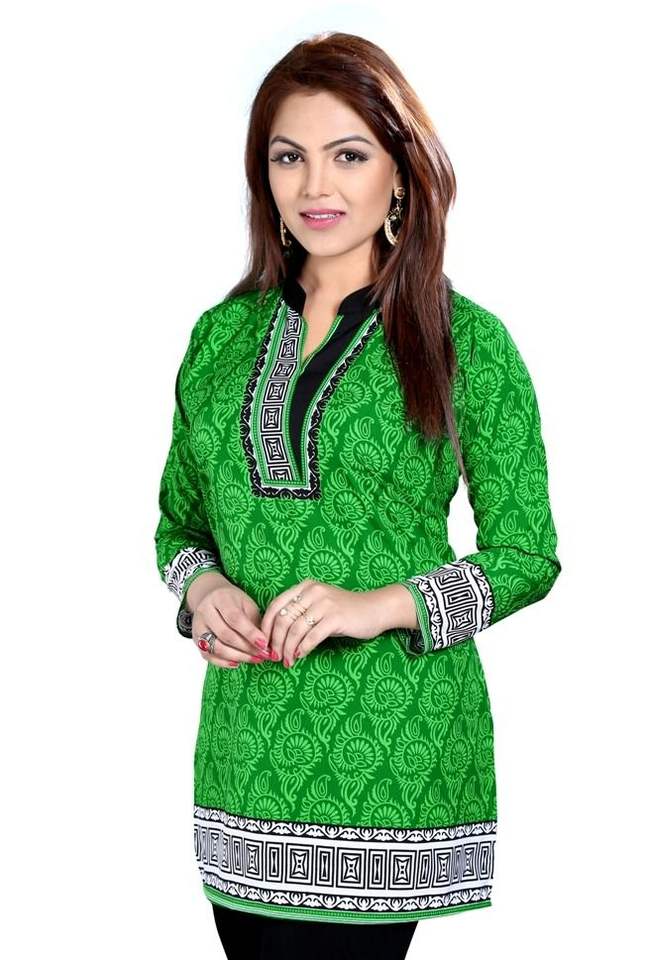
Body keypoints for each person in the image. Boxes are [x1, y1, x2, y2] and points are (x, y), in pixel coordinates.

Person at [153, 30, 562, 959]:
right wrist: (203, 591)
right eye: (287, 157)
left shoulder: (464, 342)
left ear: (402, 175)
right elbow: (178, 526)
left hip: (393, 756)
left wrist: (376, 605)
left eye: (348, 155)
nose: (314, 186)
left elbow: (527, 555)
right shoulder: (219, 340)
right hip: (247, 759)